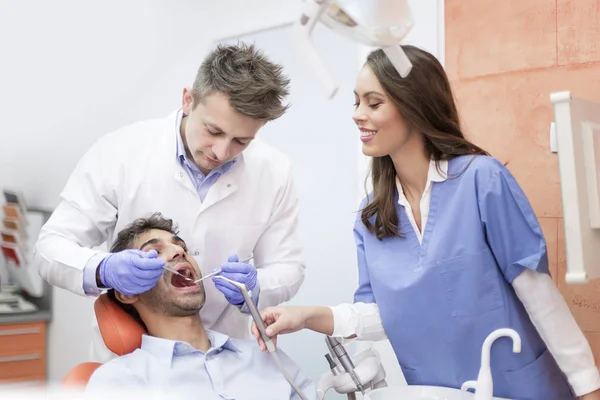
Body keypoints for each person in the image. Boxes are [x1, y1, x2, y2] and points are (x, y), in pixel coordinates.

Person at [250, 45, 600, 400]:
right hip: (437, 390)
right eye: (356, 102)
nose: (358, 114)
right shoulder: (372, 217)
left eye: (373, 103)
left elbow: (538, 294)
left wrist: (588, 387)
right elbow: (377, 315)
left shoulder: (482, 181)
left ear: (414, 105)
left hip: (519, 387)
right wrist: (304, 316)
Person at [34, 42, 306, 362]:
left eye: (241, 141)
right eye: (213, 130)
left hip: (224, 355)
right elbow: (50, 247)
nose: (221, 152)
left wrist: (258, 286)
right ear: (188, 100)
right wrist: (103, 269)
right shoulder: (119, 153)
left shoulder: (273, 171)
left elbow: (289, 266)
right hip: (132, 358)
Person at [85, 213, 315, 400]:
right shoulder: (119, 382)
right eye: (154, 252)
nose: (179, 252)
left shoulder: (266, 356)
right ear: (127, 292)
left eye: (181, 247)